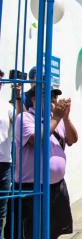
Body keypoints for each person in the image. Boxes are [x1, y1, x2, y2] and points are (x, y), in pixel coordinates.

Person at [6, 85, 78, 238]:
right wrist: (57, 118)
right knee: (32, 233)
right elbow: (36, 139)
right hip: (32, 189)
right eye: (49, 96)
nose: (54, 100)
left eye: (55, 97)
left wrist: (65, 118)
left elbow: (72, 139)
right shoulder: (25, 118)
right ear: (34, 99)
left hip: (56, 188)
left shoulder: (55, 121)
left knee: (53, 232)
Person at [0, 69, 22, 237]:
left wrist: (19, 97)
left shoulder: (7, 108)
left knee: (1, 210)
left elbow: (22, 122)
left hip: (4, 163)